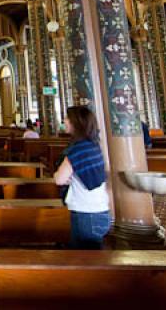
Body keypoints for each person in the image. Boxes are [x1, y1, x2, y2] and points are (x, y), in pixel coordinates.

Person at [53, 106, 110, 250]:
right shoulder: (93, 145)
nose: (64, 121)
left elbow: (59, 179)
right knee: (88, 255)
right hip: (99, 209)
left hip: (86, 212)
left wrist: (60, 175)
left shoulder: (78, 149)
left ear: (76, 123)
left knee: (85, 257)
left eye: (67, 118)